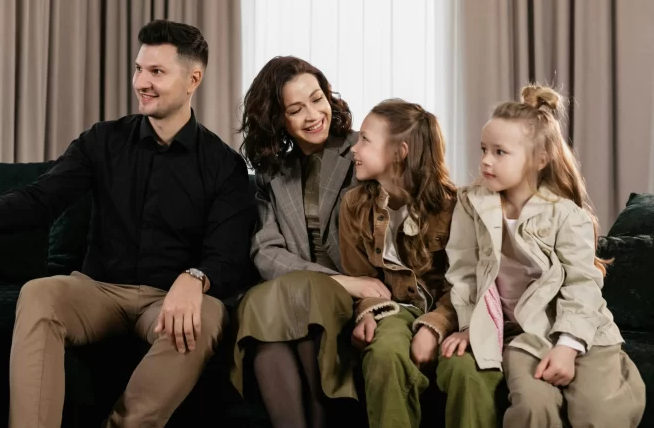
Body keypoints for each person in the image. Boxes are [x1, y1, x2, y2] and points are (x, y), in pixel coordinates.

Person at [0, 20, 255, 428]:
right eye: (138, 69)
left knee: (208, 315)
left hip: (166, 298)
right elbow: (39, 200)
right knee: (40, 294)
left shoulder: (224, 165)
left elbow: (229, 254)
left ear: (193, 79)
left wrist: (194, 278)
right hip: (98, 290)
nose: (141, 82)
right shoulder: (102, 140)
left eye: (156, 72)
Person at [440, 85, 646, 427]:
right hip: (526, 337)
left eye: (500, 152)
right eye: (483, 150)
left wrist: (567, 345)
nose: (486, 161)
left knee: (597, 411)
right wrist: (468, 325)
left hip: (583, 331)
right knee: (533, 406)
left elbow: (582, 285)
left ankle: (615, 378)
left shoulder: (566, 215)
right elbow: (463, 272)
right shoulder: (470, 204)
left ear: (539, 159)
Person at [231, 57, 386, 427]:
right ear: (277, 119)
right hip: (312, 286)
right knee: (262, 310)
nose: (314, 115)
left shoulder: (360, 151)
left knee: (294, 310)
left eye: (318, 99)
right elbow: (265, 253)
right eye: (296, 109)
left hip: (344, 293)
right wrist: (342, 282)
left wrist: (347, 284)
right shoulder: (272, 172)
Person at [339, 99, 494, 428]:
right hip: (395, 308)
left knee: (465, 369)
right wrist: (367, 311)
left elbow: (466, 285)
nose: (355, 147)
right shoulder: (353, 206)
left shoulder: (457, 207)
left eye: (365, 139)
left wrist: (434, 325)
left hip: (451, 309)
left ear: (400, 151)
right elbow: (361, 278)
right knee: (384, 355)